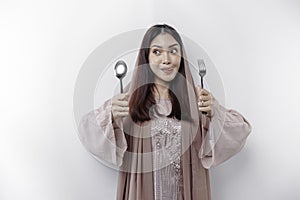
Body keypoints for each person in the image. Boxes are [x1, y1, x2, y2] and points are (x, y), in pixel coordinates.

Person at [78, 24, 252, 200]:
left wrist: (215, 112)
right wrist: (111, 115)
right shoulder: (130, 98)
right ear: (146, 57)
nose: (166, 59)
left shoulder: (196, 98)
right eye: (157, 51)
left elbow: (240, 130)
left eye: (173, 51)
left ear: (181, 57)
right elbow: (87, 131)